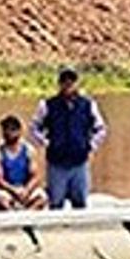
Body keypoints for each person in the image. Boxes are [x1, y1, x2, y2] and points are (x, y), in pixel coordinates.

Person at [31, 67, 107, 210]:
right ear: (59, 84)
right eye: (64, 82)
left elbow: (101, 129)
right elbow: (34, 127)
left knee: (80, 201)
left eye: (71, 82)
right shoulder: (47, 105)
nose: (68, 86)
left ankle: (79, 232)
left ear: (76, 84)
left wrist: (91, 146)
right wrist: (46, 143)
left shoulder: (88, 105)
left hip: (80, 162)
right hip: (56, 162)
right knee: (56, 202)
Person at [0, 114, 44, 210]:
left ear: (19, 131)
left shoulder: (29, 150)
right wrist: (13, 190)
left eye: (12, 130)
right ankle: (11, 214)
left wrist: (26, 190)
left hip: (25, 188)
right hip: (7, 190)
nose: (8, 133)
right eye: (5, 130)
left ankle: (27, 216)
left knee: (42, 199)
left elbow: (35, 176)